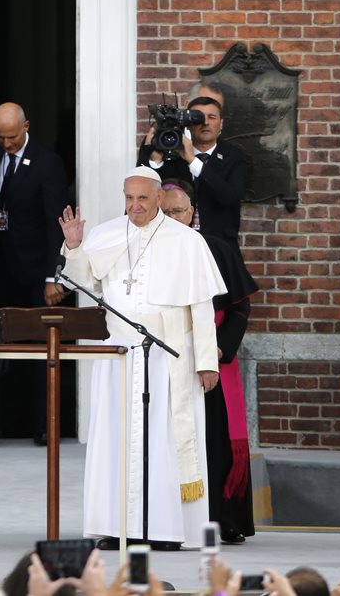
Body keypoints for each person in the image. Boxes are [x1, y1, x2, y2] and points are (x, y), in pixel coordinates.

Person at [59, 167, 223, 549]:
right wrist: (75, 247)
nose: (134, 206)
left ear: (160, 199)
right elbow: (83, 282)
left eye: (143, 199)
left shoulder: (187, 241)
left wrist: (206, 362)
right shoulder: (107, 235)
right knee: (117, 440)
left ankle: (166, 531)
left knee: (164, 442)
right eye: (129, 198)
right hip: (117, 353)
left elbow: (201, 307)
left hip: (168, 356)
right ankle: (117, 527)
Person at [159, 180, 255, 544]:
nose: (171, 218)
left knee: (215, 442)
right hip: (161, 360)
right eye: (164, 211)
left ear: (192, 213)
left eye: (177, 211)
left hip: (209, 357)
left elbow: (240, 308)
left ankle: (220, 516)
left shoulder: (215, 248)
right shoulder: (143, 252)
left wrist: (218, 348)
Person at [0, 101, 69, 443]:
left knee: (39, 351)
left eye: (13, 137)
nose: (7, 144)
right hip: (3, 271)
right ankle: (8, 421)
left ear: (27, 126)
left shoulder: (47, 163)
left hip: (37, 273)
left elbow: (56, 222)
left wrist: (53, 276)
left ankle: (43, 423)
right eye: (1, 137)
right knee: (5, 346)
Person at [137, 96, 249, 246]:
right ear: (188, 124)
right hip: (173, 243)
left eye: (212, 117)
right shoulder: (170, 153)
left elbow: (229, 196)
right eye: (199, 118)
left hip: (218, 245)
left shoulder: (235, 157)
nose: (205, 123)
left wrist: (193, 161)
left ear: (221, 123)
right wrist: (155, 161)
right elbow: (143, 194)